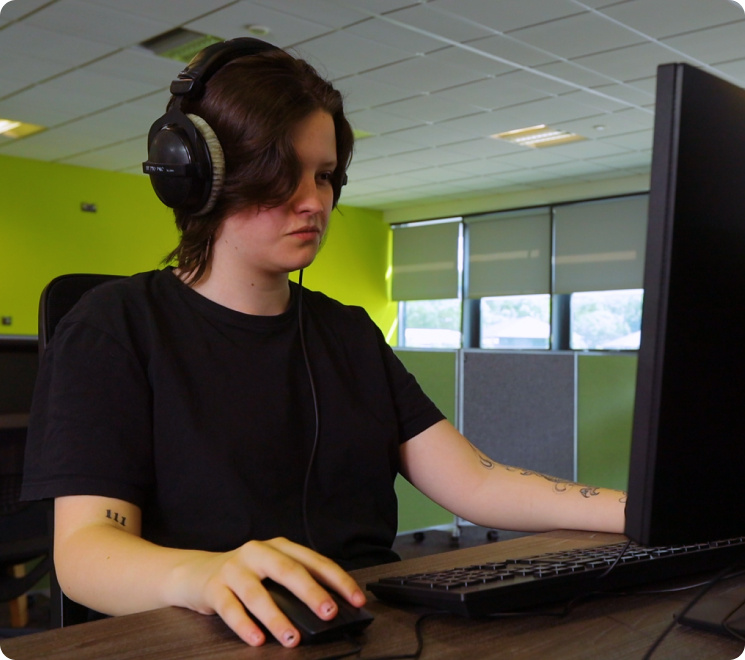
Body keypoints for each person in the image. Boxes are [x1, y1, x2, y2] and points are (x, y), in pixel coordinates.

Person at [22, 38, 626, 649]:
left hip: (365, 628)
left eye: (325, 175)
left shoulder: (348, 333)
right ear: (199, 177)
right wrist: (202, 574)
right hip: (205, 636)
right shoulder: (114, 326)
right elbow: (85, 550)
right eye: (283, 175)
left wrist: (641, 510)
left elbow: (476, 483)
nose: (315, 202)